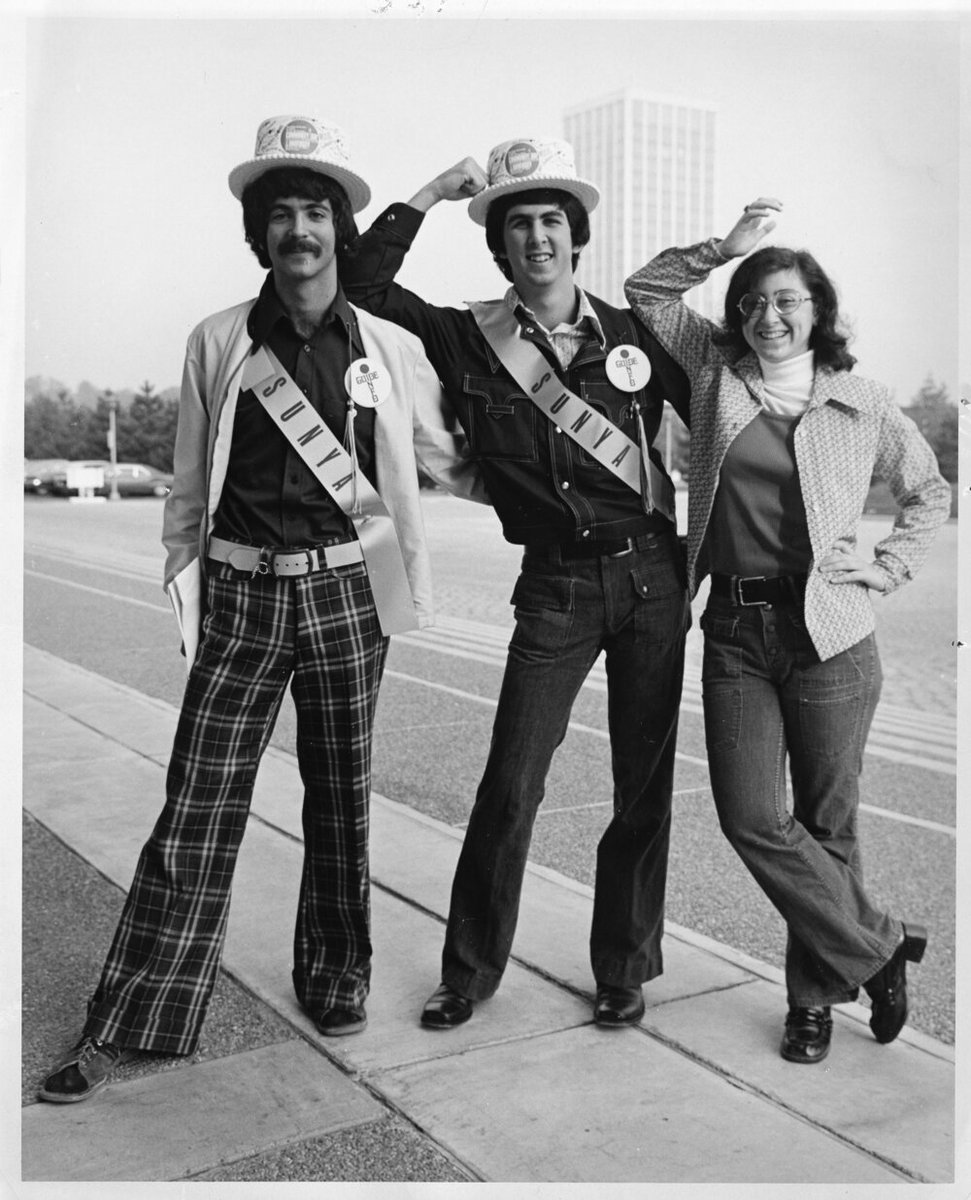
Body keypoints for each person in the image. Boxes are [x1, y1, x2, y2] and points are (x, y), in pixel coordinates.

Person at [38, 115, 483, 1104]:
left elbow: (451, 456)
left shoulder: (387, 345)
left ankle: (335, 979)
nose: (298, 229)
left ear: (339, 227)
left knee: (339, 802)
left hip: (348, 592)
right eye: (278, 212)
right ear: (260, 232)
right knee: (194, 808)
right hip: (240, 593)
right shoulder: (216, 341)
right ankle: (135, 1020)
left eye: (314, 211)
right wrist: (184, 588)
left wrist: (572, 492)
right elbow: (189, 486)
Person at [342, 137, 692, 1030]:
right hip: (556, 588)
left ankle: (622, 966)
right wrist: (425, 193)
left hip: (652, 577)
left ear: (576, 238)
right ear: (499, 248)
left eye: (550, 221)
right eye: (518, 225)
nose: (536, 237)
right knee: (511, 782)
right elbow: (363, 288)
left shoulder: (635, 334)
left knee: (640, 785)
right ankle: (468, 972)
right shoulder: (466, 335)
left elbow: (727, 416)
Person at [623, 197, 951, 1064]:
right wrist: (722, 250)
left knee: (826, 823)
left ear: (818, 313)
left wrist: (882, 568)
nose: (767, 316)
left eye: (786, 302)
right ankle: (879, 947)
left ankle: (810, 1004)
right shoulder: (713, 371)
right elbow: (646, 292)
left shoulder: (861, 401)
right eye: (753, 300)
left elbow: (930, 493)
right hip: (734, 625)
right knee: (751, 815)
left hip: (831, 633)